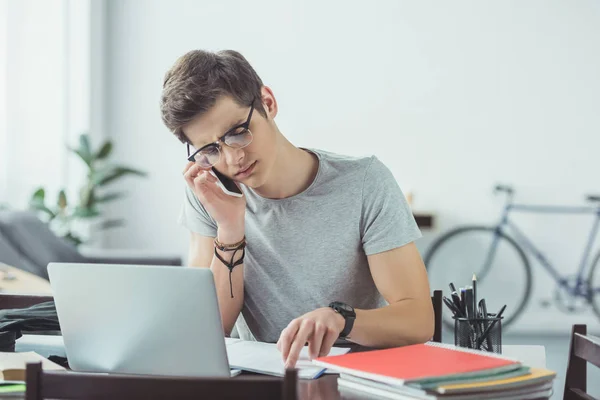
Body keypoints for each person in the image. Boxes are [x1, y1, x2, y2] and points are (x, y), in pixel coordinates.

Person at [160, 49, 434, 368]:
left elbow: (418, 319)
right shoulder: (209, 192)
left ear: (268, 103)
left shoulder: (365, 183)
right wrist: (230, 229)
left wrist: (341, 319)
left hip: (350, 378)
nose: (233, 159)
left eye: (237, 132)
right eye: (211, 149)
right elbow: (209, 328)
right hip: (257, 381)